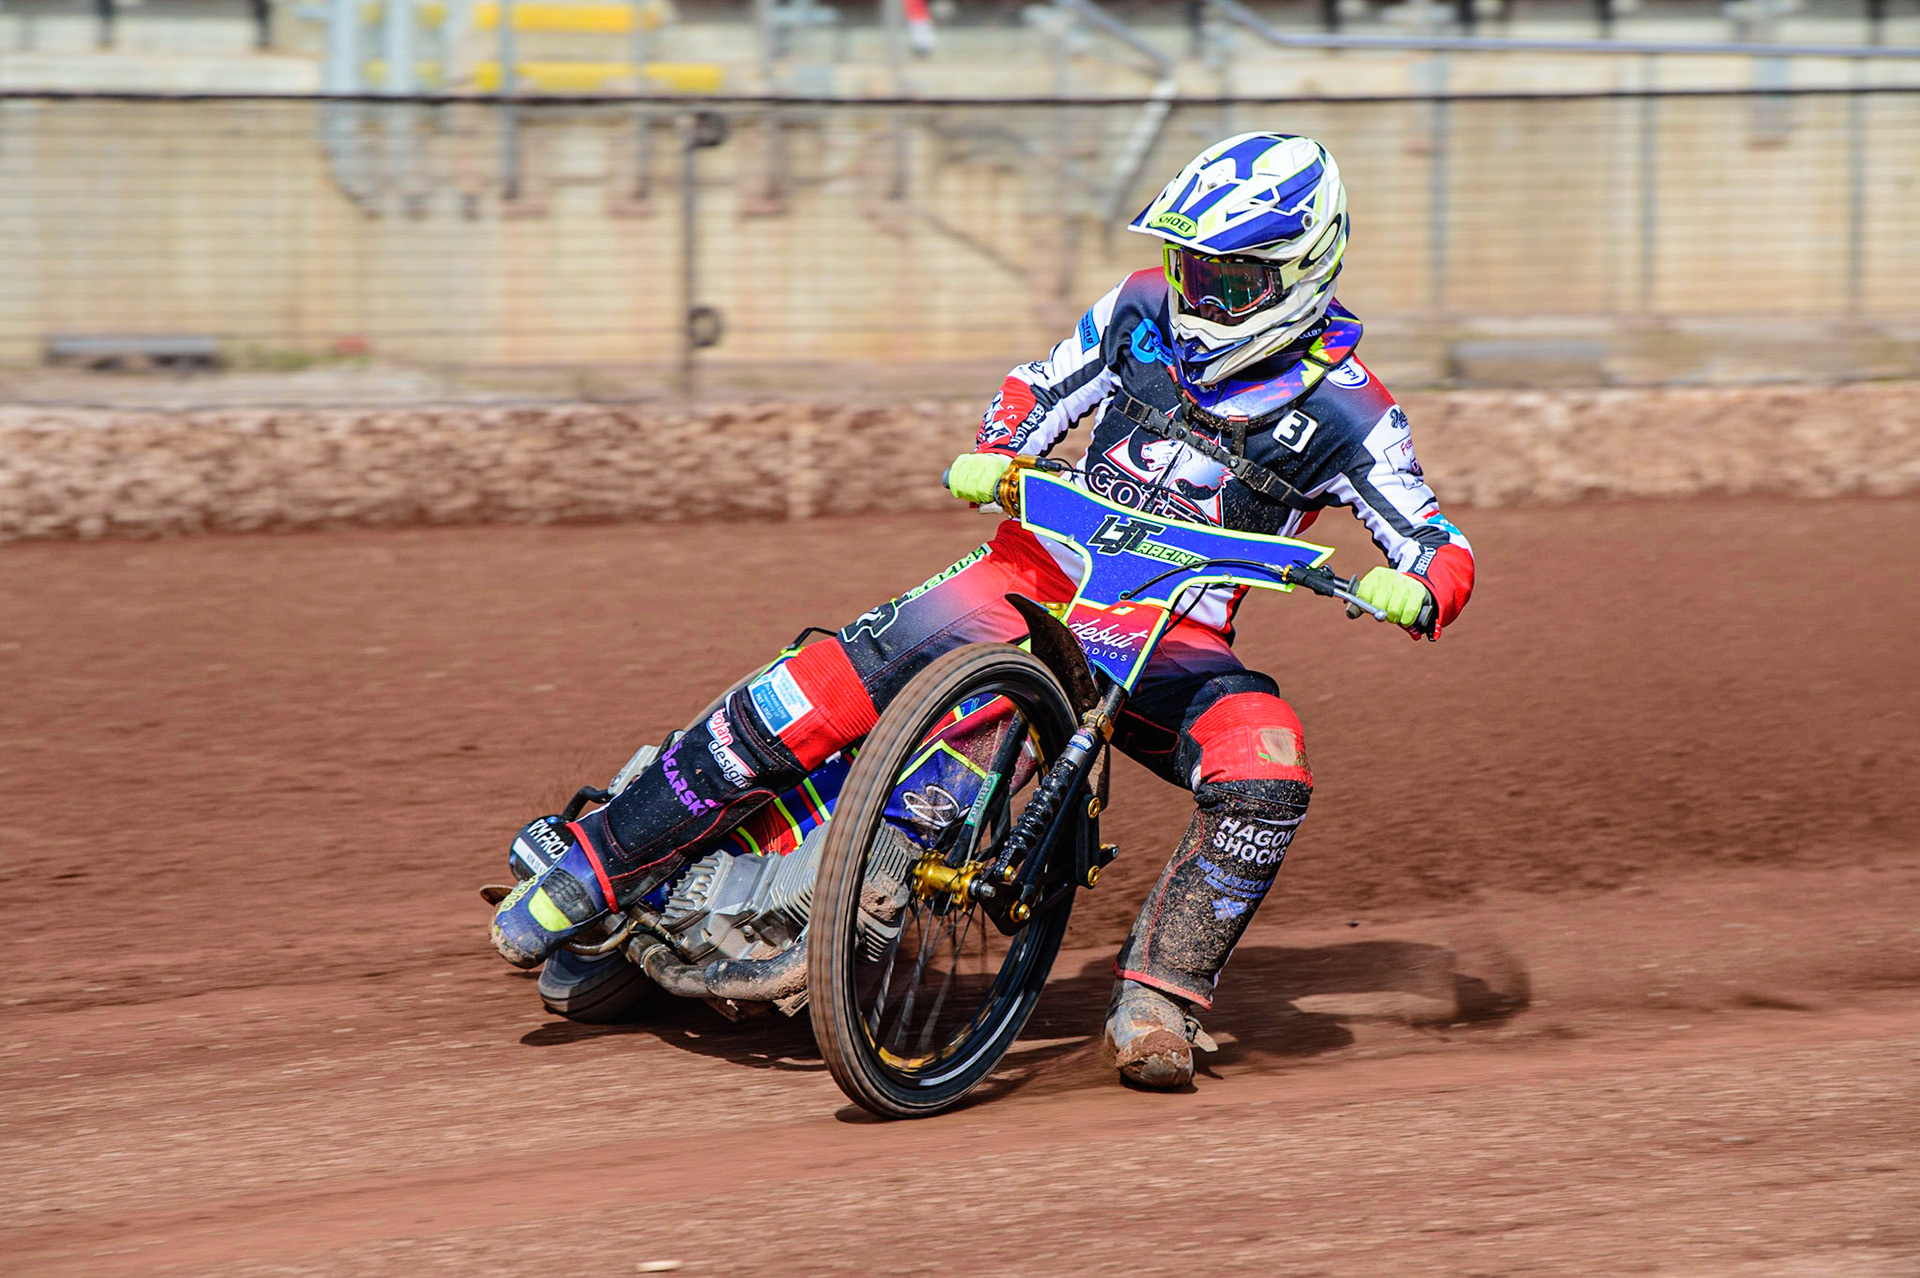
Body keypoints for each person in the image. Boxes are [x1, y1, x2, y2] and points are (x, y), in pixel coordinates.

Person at [489, 133, 1475, 1089]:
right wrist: (999, 446)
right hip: (1031, 574)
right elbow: (1040, 386)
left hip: (1170, 643)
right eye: (1187, 265)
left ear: (1302, 271)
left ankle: (1158, 1000)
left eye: (1228, 278)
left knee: (1268, 762)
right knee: (819, 686)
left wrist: (1418, 587)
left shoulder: (1354, 410)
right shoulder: (1140, 310)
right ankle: (600, 862)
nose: (1197, 294)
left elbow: (1437, 543)